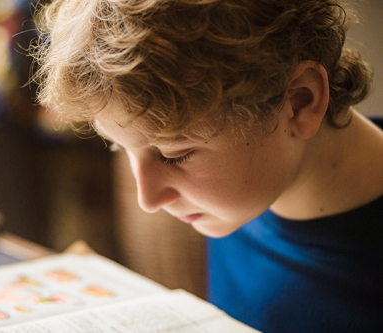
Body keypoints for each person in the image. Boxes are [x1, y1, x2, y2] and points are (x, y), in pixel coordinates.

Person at [30, 0, 383, 331]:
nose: (147, 200)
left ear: (299, 102)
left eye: (174, 155)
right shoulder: (250, 192)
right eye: (118, 147)